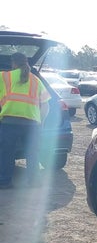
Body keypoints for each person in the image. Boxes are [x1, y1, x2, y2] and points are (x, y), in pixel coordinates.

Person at [0, 52, 51, 188]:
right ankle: (33, 182)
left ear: (13, 63)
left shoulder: (4, 77)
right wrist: (41, 122)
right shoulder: (36, 80)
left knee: (6, 154)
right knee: (32, 153)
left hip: (9, 123)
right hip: (31, 124)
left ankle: (4, 182)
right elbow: (46, 105)